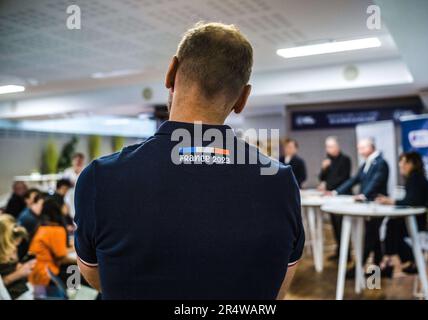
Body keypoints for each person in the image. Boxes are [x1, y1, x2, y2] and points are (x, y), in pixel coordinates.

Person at [75, 22, 305, 300]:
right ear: (243, 98)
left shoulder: (101, 178)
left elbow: (98, 277)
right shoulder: (279, 182)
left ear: (171, 73)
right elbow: (278, 289)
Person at [376, 152, 428, 275]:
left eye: (403, 162)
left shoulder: (415, 178)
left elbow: (412, 201)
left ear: (411, 164)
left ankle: (391, 260)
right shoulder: (416, 177)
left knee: (392, 225)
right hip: (427, 219)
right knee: (393, 226)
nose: (400, 165)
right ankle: (403, 259)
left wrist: (391, 201)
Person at [334, 138, 389, 270]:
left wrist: (364, 195)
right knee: (374, 235)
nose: (359, 151)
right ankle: (378, 265)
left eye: (362, 148)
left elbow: (376, 182)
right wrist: (336, 191)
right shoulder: (366, 163)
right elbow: (354, 179)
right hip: (367, 205)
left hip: (377, 205)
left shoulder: (381, 163)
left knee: (370, 235)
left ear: (371, 147)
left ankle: (358, 267)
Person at [28, 199, 76, 298]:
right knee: (75, 269)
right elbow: (62, 257)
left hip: (35, 273)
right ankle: (75, 295)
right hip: (46, 274)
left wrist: (73, 248)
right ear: (58, 209)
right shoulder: (56, 229)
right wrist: (79, 261)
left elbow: (57, 250)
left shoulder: (42, 226)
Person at [318, 136, 352, 260]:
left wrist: (329, 187)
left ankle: (346, 254)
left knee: (342, 226)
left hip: (342, 196)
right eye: (327, 146)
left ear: (337, 147)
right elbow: (322, 178)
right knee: (335, 226)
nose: (328, 149)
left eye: (331, 146)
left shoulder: (345, 160)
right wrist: (323, 168)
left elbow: (343, 178)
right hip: (331, 197)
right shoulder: (328, 160)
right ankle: (339, 251)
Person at [0, 214, 36, 299]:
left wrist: (19, 268)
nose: (14, 251)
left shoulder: (8, 251)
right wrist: (19, 273)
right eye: (12, 246)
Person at [17, 192, 44, 259]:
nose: (43, 208)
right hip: (25, 256)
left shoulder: (29, 213)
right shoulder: (29, 218)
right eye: (42, 205)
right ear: (34, 203)